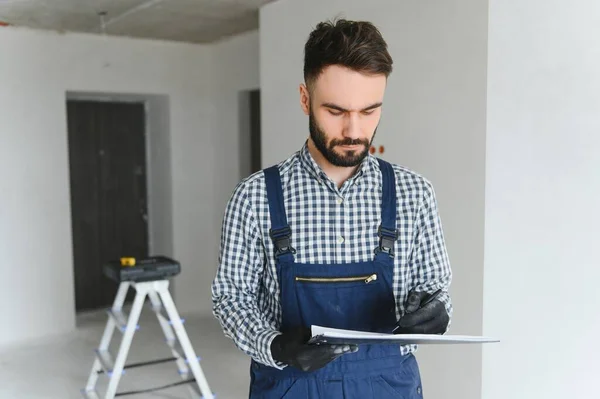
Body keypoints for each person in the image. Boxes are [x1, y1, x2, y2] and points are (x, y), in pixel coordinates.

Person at [211, 18, 452, 399]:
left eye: (370, 111)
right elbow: (231, 297)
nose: (355, 130)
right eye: (336, 111)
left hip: (387, 386)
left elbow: (435, 288)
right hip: (290, 385)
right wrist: (274, 346)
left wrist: (436, 311)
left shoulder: (414, 193)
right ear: (305, 99)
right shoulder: (254, 196)